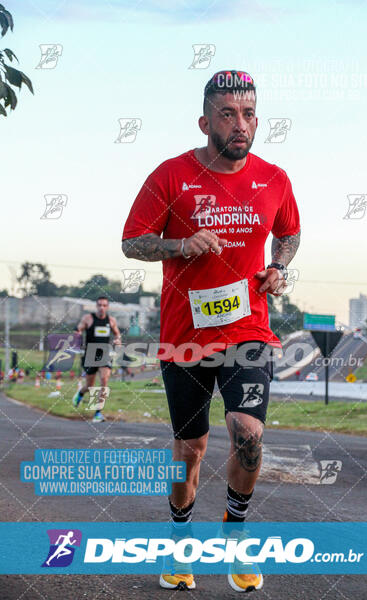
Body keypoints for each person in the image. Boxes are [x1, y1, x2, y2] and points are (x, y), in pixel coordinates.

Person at [122, 69, 301, 592]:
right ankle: (180, 540)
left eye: (248, 114)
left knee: (249, 433)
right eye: (228, 113)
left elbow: (288, 233)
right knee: (190, 450)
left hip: (249, 331)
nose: (240, 124)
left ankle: (235, 534)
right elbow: (133, 241)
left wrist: (279, 268)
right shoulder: (171, 176)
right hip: (185, 336)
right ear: (205, 121)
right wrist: (180, 245)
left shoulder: (275, 178)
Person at [72, 297, 122, 422]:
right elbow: (79, 329)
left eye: (104, 305)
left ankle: (97, 413)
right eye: (99, 305)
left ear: (107, 307)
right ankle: (80, 393)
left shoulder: (111, 320)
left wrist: (117, 340)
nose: (102, 307)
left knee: (104, 381)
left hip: (104, 354)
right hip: (90, 354)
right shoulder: (88, 318)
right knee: (90, 386)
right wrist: (77, 333)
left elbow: (117, 333)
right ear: (96, 306)